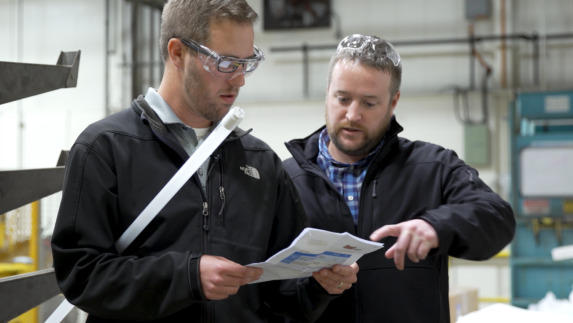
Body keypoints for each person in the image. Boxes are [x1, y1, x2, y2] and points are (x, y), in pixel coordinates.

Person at [50, 1, 358, 322]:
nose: (240, 80)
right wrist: (187, 277)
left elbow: (282, 296)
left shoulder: (261, 162)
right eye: (226, 63)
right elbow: (81, 275)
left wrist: (318, 286)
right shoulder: (106, 148)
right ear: (178, 53)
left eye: (247, 62)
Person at [282, 34, 516, 323]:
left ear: (394, 102)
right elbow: (266, 293)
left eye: (369, 103)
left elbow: (497, 217)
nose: (352, 115)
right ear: (327, 91)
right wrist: (314, 288)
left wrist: (436, 226)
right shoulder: (285, 180)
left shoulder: (433, 168)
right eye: (342, 99)